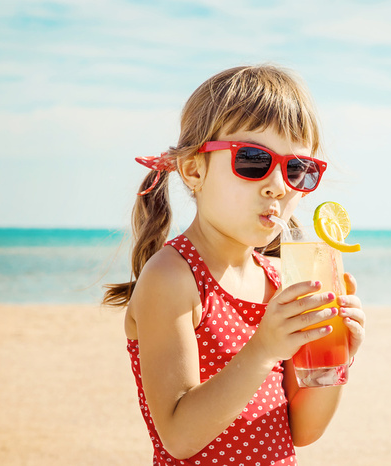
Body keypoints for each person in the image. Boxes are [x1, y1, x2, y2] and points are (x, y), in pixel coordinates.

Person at [103, 64, 365, 465]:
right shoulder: (173, 277)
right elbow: (178, 435)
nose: (277, 185)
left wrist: (334, 361)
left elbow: (303, 430)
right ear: (194, 169)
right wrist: (263, 349)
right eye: (254, 160)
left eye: (297, 169)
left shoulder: (280, 278)